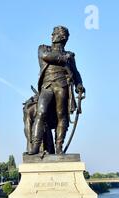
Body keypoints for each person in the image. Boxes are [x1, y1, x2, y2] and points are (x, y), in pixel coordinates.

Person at [28, 26, 85, 155]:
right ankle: (35, 146)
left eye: (54, 33)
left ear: (62, 37)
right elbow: (46, 56)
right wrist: (65, 58)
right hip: (47, 86)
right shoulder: (43, 48)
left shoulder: (70, 56)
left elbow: (75, 72)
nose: (52, 35)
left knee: (62, 115)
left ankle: (58, 147)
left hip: (62, 86)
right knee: (41, 112)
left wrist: (79, 84)